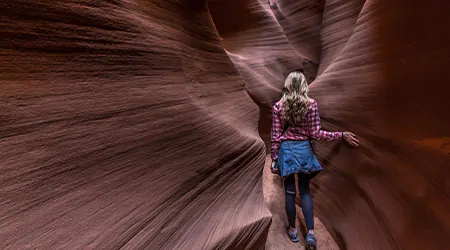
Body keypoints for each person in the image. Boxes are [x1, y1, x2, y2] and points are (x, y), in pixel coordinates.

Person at [270, 71, 359, 249]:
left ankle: (293, 230)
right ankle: (310, 234)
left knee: (289, 191)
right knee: (304, 191)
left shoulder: (278, 107)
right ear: (303, 85)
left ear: (287, 85)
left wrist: (274, 158)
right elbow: (316, 134)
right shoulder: (311, 105)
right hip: (304, 150)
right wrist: (340, 135)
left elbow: (276, 136)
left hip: (286, 151)